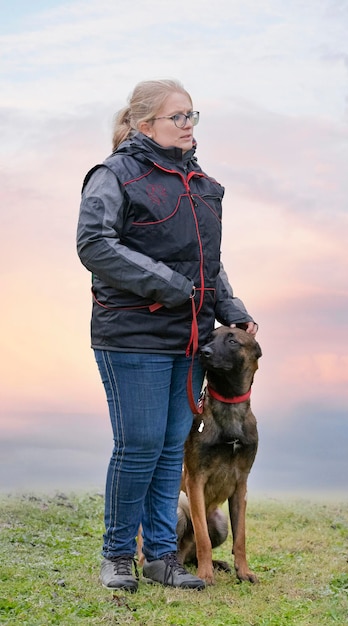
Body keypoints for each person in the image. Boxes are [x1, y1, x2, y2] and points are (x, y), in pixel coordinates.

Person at [76, 79, 258, 592]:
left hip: (191, 340)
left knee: (169, 449)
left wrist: (233, 309)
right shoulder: (114, 175)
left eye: (191, 115)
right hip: (132, 336)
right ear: (143, 124)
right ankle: (117, 556)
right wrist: (170, 285)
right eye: (177, 116)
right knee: (137, 447)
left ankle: (161, 558)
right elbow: (94, 243)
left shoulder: (201, 184)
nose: (188, 125)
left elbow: (208, 265)